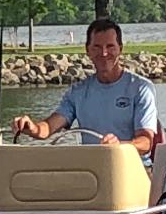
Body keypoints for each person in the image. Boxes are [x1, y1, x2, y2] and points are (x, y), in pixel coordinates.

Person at [11, 17, 158, 154]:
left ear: (120, 48)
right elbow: (48, 128)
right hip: (92, 171)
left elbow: (146, 142)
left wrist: (118, 147)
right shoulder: (78, 92)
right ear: (87, 50)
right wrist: (31, 127)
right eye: (97, 47)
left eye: (110, 46)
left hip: (134, 168)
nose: (104, 53)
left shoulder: (141, 88)